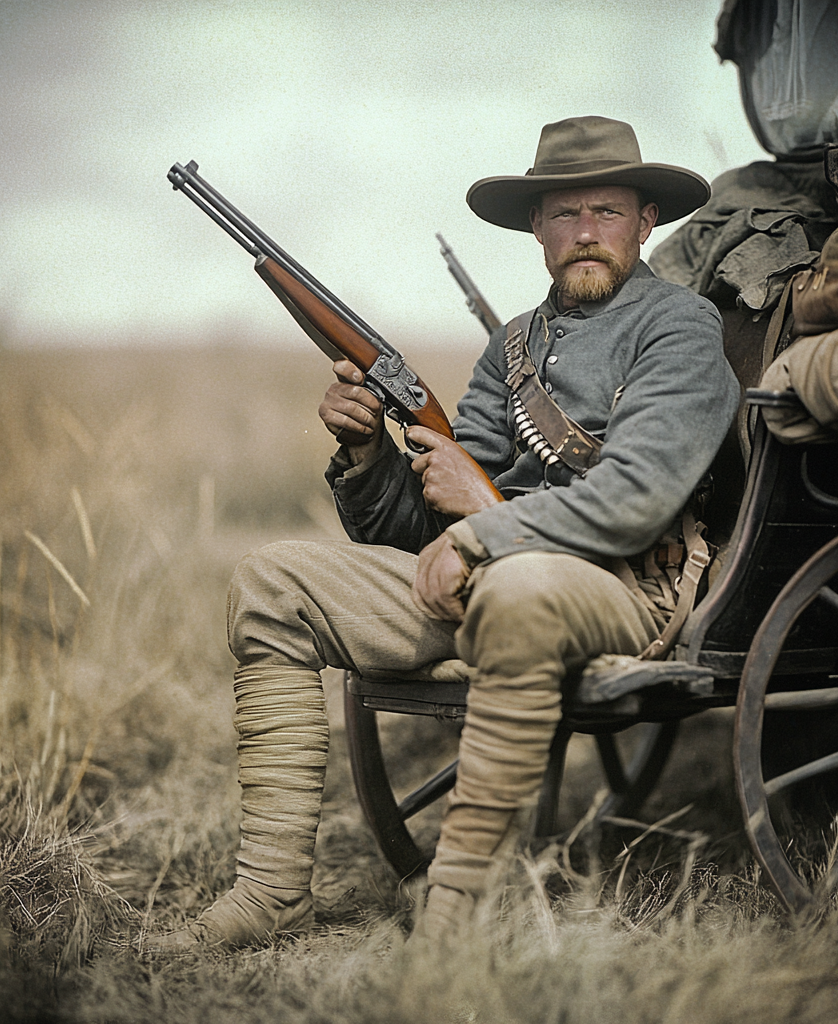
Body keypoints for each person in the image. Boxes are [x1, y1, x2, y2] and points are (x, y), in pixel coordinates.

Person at [150, 116, 741, 952]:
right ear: (535, 228)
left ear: (647, 221)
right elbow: (423, 531)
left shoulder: (677, 327)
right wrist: (367, 453)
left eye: (606, 212)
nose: (583, 233)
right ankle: (271, 892)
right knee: (270, 579)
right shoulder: (515, 348)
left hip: (618, 581)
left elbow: (637, 498)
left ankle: (453, 919)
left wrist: (485, 530)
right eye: (564, 215)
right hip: (489, 572)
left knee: (521, 588)